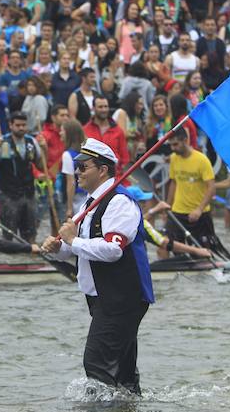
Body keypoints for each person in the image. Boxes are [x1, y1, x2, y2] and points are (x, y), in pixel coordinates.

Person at [41, 138, 154, 394]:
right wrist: (60, 248)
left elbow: (113, 250)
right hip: (102, 296)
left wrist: (72, 239)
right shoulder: (90, 203)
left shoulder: (120, 203)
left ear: (102, 170)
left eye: (83, 167)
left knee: (96, 364)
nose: (77, 172)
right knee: (123, 372)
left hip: (123, 298)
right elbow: (78, 249)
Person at [0, 111, 46, 243]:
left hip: (28, 192)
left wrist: (44, 148)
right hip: (8, 194)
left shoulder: (31, 142)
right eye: (18, 125)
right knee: (8, 234)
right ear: (11, 125)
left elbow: (42, 166)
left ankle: (30, 258)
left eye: (24, 125)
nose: (21, 128)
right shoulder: (2, 142)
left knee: (30, 232)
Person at [166, 126, 219, 251]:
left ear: (185, 140)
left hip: (199, 214)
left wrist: (199, 210)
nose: (173, 148)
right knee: (168, 246)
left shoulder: (202, 160)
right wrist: (168, 206)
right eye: (171, 145)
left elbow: (211, 188)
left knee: (203, 251)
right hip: (178, 212)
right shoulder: (174, 158)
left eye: (175, 144)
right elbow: (173, 183)